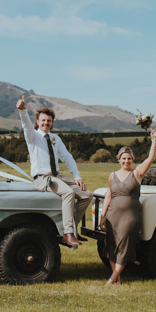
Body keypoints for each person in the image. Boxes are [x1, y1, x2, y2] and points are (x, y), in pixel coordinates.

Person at [15, 95, 93, 249]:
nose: (46, 123)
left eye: (49, 121)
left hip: (57, 176)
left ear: (52, 123)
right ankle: (67, 233)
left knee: (87, 195)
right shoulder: (33, 137)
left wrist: (77, 176)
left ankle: (72, 229)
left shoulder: (55, 138)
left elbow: (68, 158)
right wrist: (23, 110)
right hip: (42, 178)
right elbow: (26, 125)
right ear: (37, 122)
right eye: (43, 120)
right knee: (69, 193)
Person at [99, 130, 156, 285]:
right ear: (119, 159)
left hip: (130, 217)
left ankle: (111, 279)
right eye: (123, 158)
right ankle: (117, 279)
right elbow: (108, 196)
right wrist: (102, 215)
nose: (126, 161)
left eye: (129, 158)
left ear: (133, 159)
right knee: (111, 246)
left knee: (124, 246)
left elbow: (150, 159)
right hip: (112, 215)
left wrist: (154, 141)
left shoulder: (137, 173)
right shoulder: (112, 175)